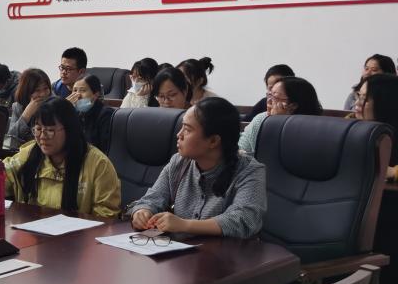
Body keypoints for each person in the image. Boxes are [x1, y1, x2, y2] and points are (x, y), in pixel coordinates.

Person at [130, 97, 266, 239]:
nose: (179, 134)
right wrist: (142, 211)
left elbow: (244, 219)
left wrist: (185, 225)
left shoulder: (249, 171)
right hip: (179, 250)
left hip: (225, 252)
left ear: (213, 141)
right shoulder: (179, 162)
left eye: (187, 130)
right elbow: (153, 198)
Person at [0, 97, 120, 217]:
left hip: (77, 242)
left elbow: (106, 216)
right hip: (31, 236)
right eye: (38, 129)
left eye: (50, 130)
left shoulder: (97, 164)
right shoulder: (29, 154)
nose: (42, 136)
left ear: (70, 130)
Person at [238, 76, 321, 155]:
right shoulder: (261, 118)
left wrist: (277, 122)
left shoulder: (314, 130)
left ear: (293, 105)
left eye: (275, 97)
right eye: (269, 95)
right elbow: (240, 150)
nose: (269, 101)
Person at [356, 73, 398, 179]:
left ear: (385, 102)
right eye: (359, 96)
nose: (357, 103)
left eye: (365, 98)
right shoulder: (351, 128)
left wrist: (394, 172)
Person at [6, 68, 55, 150]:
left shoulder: (55, 104)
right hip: (24, 151)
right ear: (26, 91)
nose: (43, 94)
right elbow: (10, 139)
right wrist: (26, 116)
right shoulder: (18, 107)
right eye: (37, 90)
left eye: (46, 88)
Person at [69, 74, 114, 154]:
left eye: (83, 90)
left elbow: (104, 148)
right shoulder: (73, 113)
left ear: (96, 94)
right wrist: (65, 109)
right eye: (75, 90)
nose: (77, 95)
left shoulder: (106, 114)